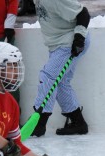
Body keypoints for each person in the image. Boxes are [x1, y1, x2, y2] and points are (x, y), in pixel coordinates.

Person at [31, 0, 91, 137]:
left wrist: (79, 38)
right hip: (57, 44)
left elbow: (83, 14)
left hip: (69, 43)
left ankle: (39, 123)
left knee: (48, 77)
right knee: (61, 82)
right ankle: (78, 123)